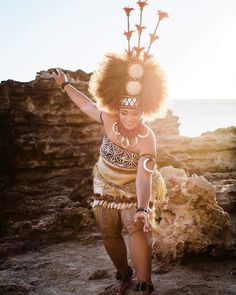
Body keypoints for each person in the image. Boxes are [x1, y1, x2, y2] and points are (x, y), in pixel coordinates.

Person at [52, 4, 168, 295]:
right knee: (107, 231)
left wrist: (143, 207)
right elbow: (86, 105)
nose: (129, 118)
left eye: (135, 113)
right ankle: (123, 275)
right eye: (125, 112)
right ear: (117, 107)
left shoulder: (146, 137)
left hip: (133, 188)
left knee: (137, 227)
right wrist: (65, 85)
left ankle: (144, 284)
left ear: (144, 111)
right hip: (103, 182)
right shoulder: (108, 117)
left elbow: (144, 176)